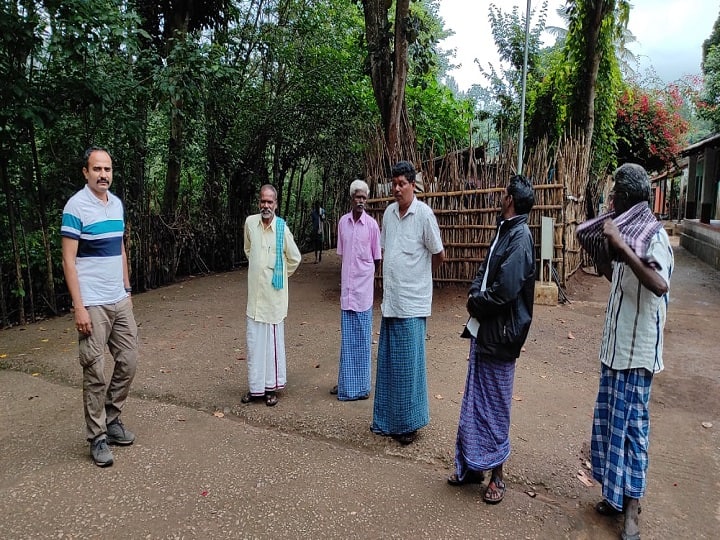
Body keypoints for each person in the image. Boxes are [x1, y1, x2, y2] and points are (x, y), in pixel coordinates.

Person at [576, 163, 673, 540]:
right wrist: (603, 253)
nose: (611, 197)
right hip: (615, 346)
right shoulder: (627, 229)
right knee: (609, 426)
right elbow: (614, 276)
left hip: (638, 351)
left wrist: (622, 248)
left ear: (630, 197)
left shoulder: (653, 235)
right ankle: (615, 497)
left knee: (632, 431)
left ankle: (633, 508)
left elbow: (659, 283)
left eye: (616, 192)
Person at [447, 174, 536, 504]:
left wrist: (475, 303)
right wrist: (474, 293)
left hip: (502, 336)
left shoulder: (521, 238)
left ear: (510, 198)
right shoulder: (505, 231)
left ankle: (498, 474)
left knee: (495, 405)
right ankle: (473, 466)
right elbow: (484, 273)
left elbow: (504, 291)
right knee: (475, 401)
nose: (501, 197)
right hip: (487, 332)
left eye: (503, 193)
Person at [61, 146, 138, 467]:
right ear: (85, 172)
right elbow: (68, 259)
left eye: (107, 169)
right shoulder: (76, 207)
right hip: (91, 303)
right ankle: (97, 436)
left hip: (119, 299)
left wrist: (128, 288)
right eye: (97, 169)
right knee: (94, 371)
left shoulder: (116, 204)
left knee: (129, 360)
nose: (103, 175)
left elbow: (120, 248)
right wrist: (78, 307)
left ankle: (112, 416)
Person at [370, 160, 445, 445]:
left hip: (413, 303)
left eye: (402, 183)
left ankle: (409, 424)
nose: (397, 188)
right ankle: (387, 421)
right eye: (394, 183)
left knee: (409, 367)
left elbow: (439, 254)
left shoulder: (424, 215)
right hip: (392, 301)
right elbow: (387, 250)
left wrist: (420, 277)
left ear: (413, 185)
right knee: (389, 363)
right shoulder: (389, 214)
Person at [242, 184, 302, 407]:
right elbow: (248, 250)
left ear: (276, 204)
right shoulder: (250, 223)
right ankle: (255, 388)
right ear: (259, 203)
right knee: (254, 343)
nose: (265, 205)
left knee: (272, 347)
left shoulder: (281, 228)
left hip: (274, 298)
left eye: (270, 202)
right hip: (255, 298)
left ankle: (271, 389)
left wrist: (279, 275)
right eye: (262, 201)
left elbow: (295, 258)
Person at [330, 180, 381, 401]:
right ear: (351, 198)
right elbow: (343, 255)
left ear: (367, 200)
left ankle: (361, 388)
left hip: (363, 292)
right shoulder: (343, 223)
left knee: (362, 339)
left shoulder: (372, 226)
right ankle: (346, 384)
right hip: (347, 291)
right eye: (357, 197)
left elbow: (376, 259)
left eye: (364, 197)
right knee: (348, 340)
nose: (361, 201)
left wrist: (365, 277)